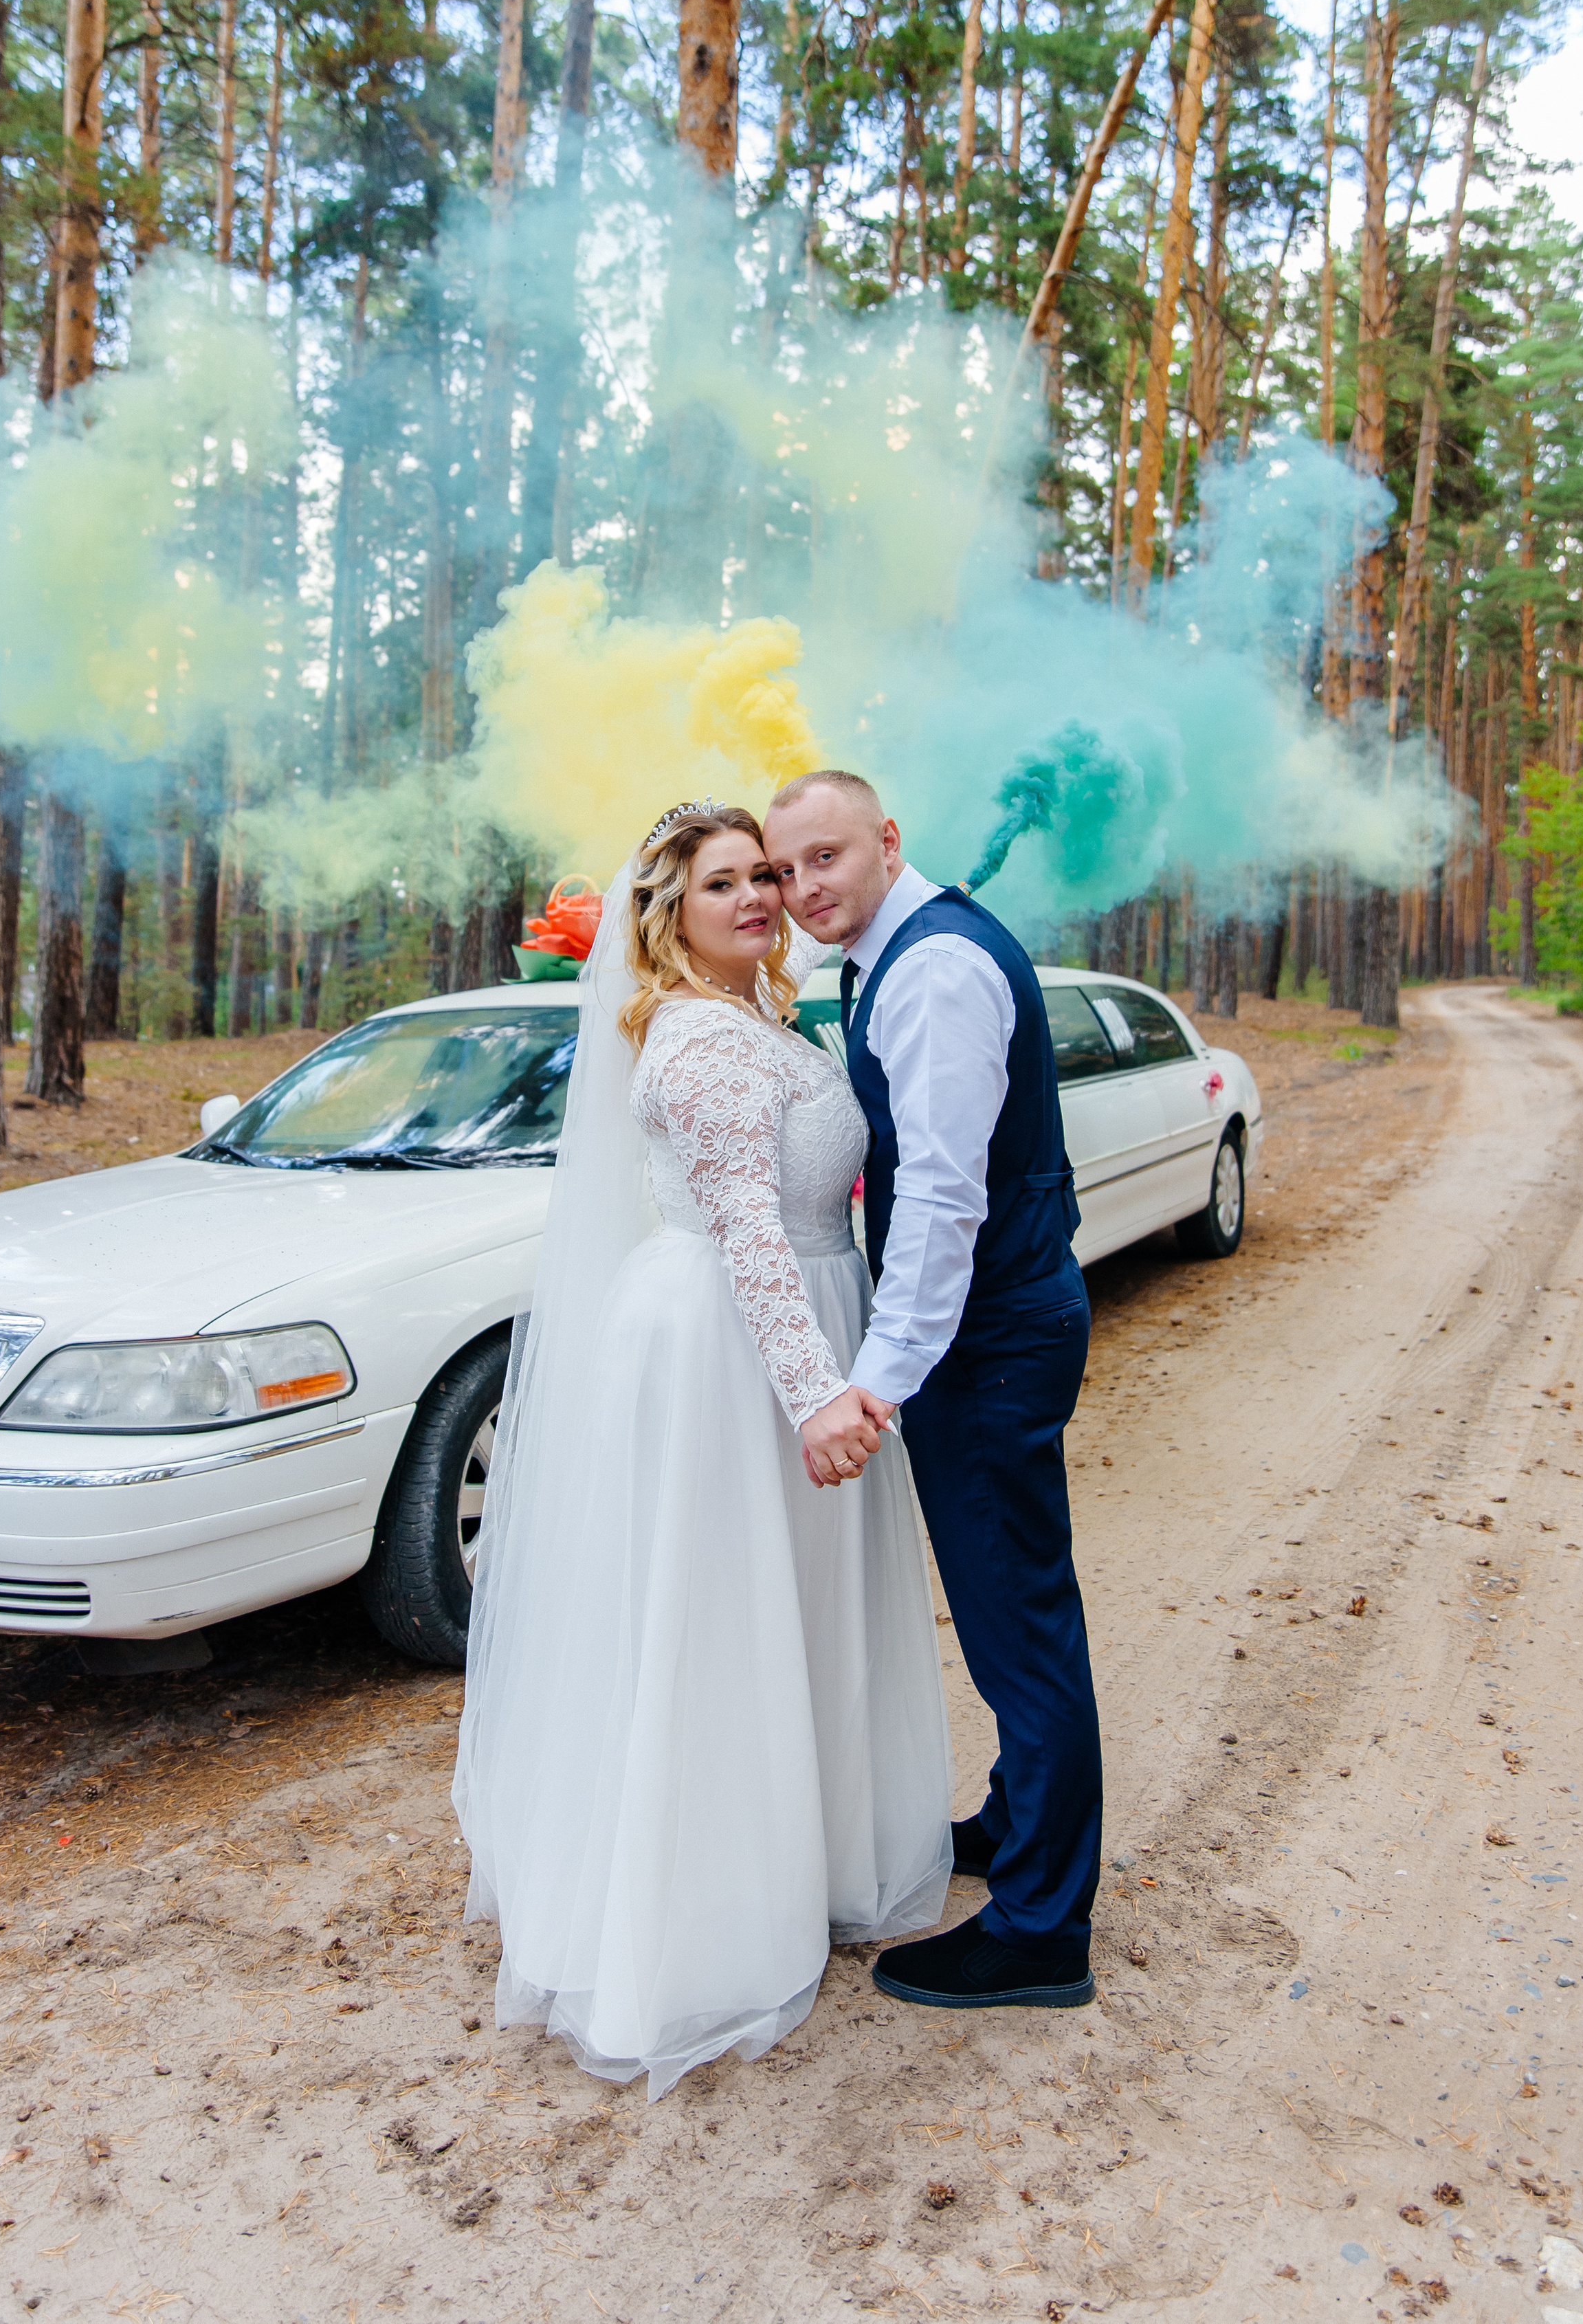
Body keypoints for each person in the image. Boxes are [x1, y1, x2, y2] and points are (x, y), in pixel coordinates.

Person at [452, 799, 953, 2099]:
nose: (757, 897)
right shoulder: (700, 1041)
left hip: (784, 1319)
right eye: (724, 881)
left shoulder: (755, 1019)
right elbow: (747, 1232)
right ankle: (705, 1918)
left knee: (784, 1612)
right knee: (719, 1620)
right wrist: (814, 1399)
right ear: (667, 912)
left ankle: (808, 1854)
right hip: (734, 1347)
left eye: (767, 877)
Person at [762, 769, 1100, 2011]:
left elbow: (946, 1199)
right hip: (997, 1320)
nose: (805, 889)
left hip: (990, 1335)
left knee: (1020, 1623)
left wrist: (878, 1383)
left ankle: (1040, 1928)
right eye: (786, 869)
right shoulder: (890, 955)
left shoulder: (936, 970)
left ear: (887, 839)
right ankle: (1020, 1821)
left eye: (825, 857)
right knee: (1016, 1597)